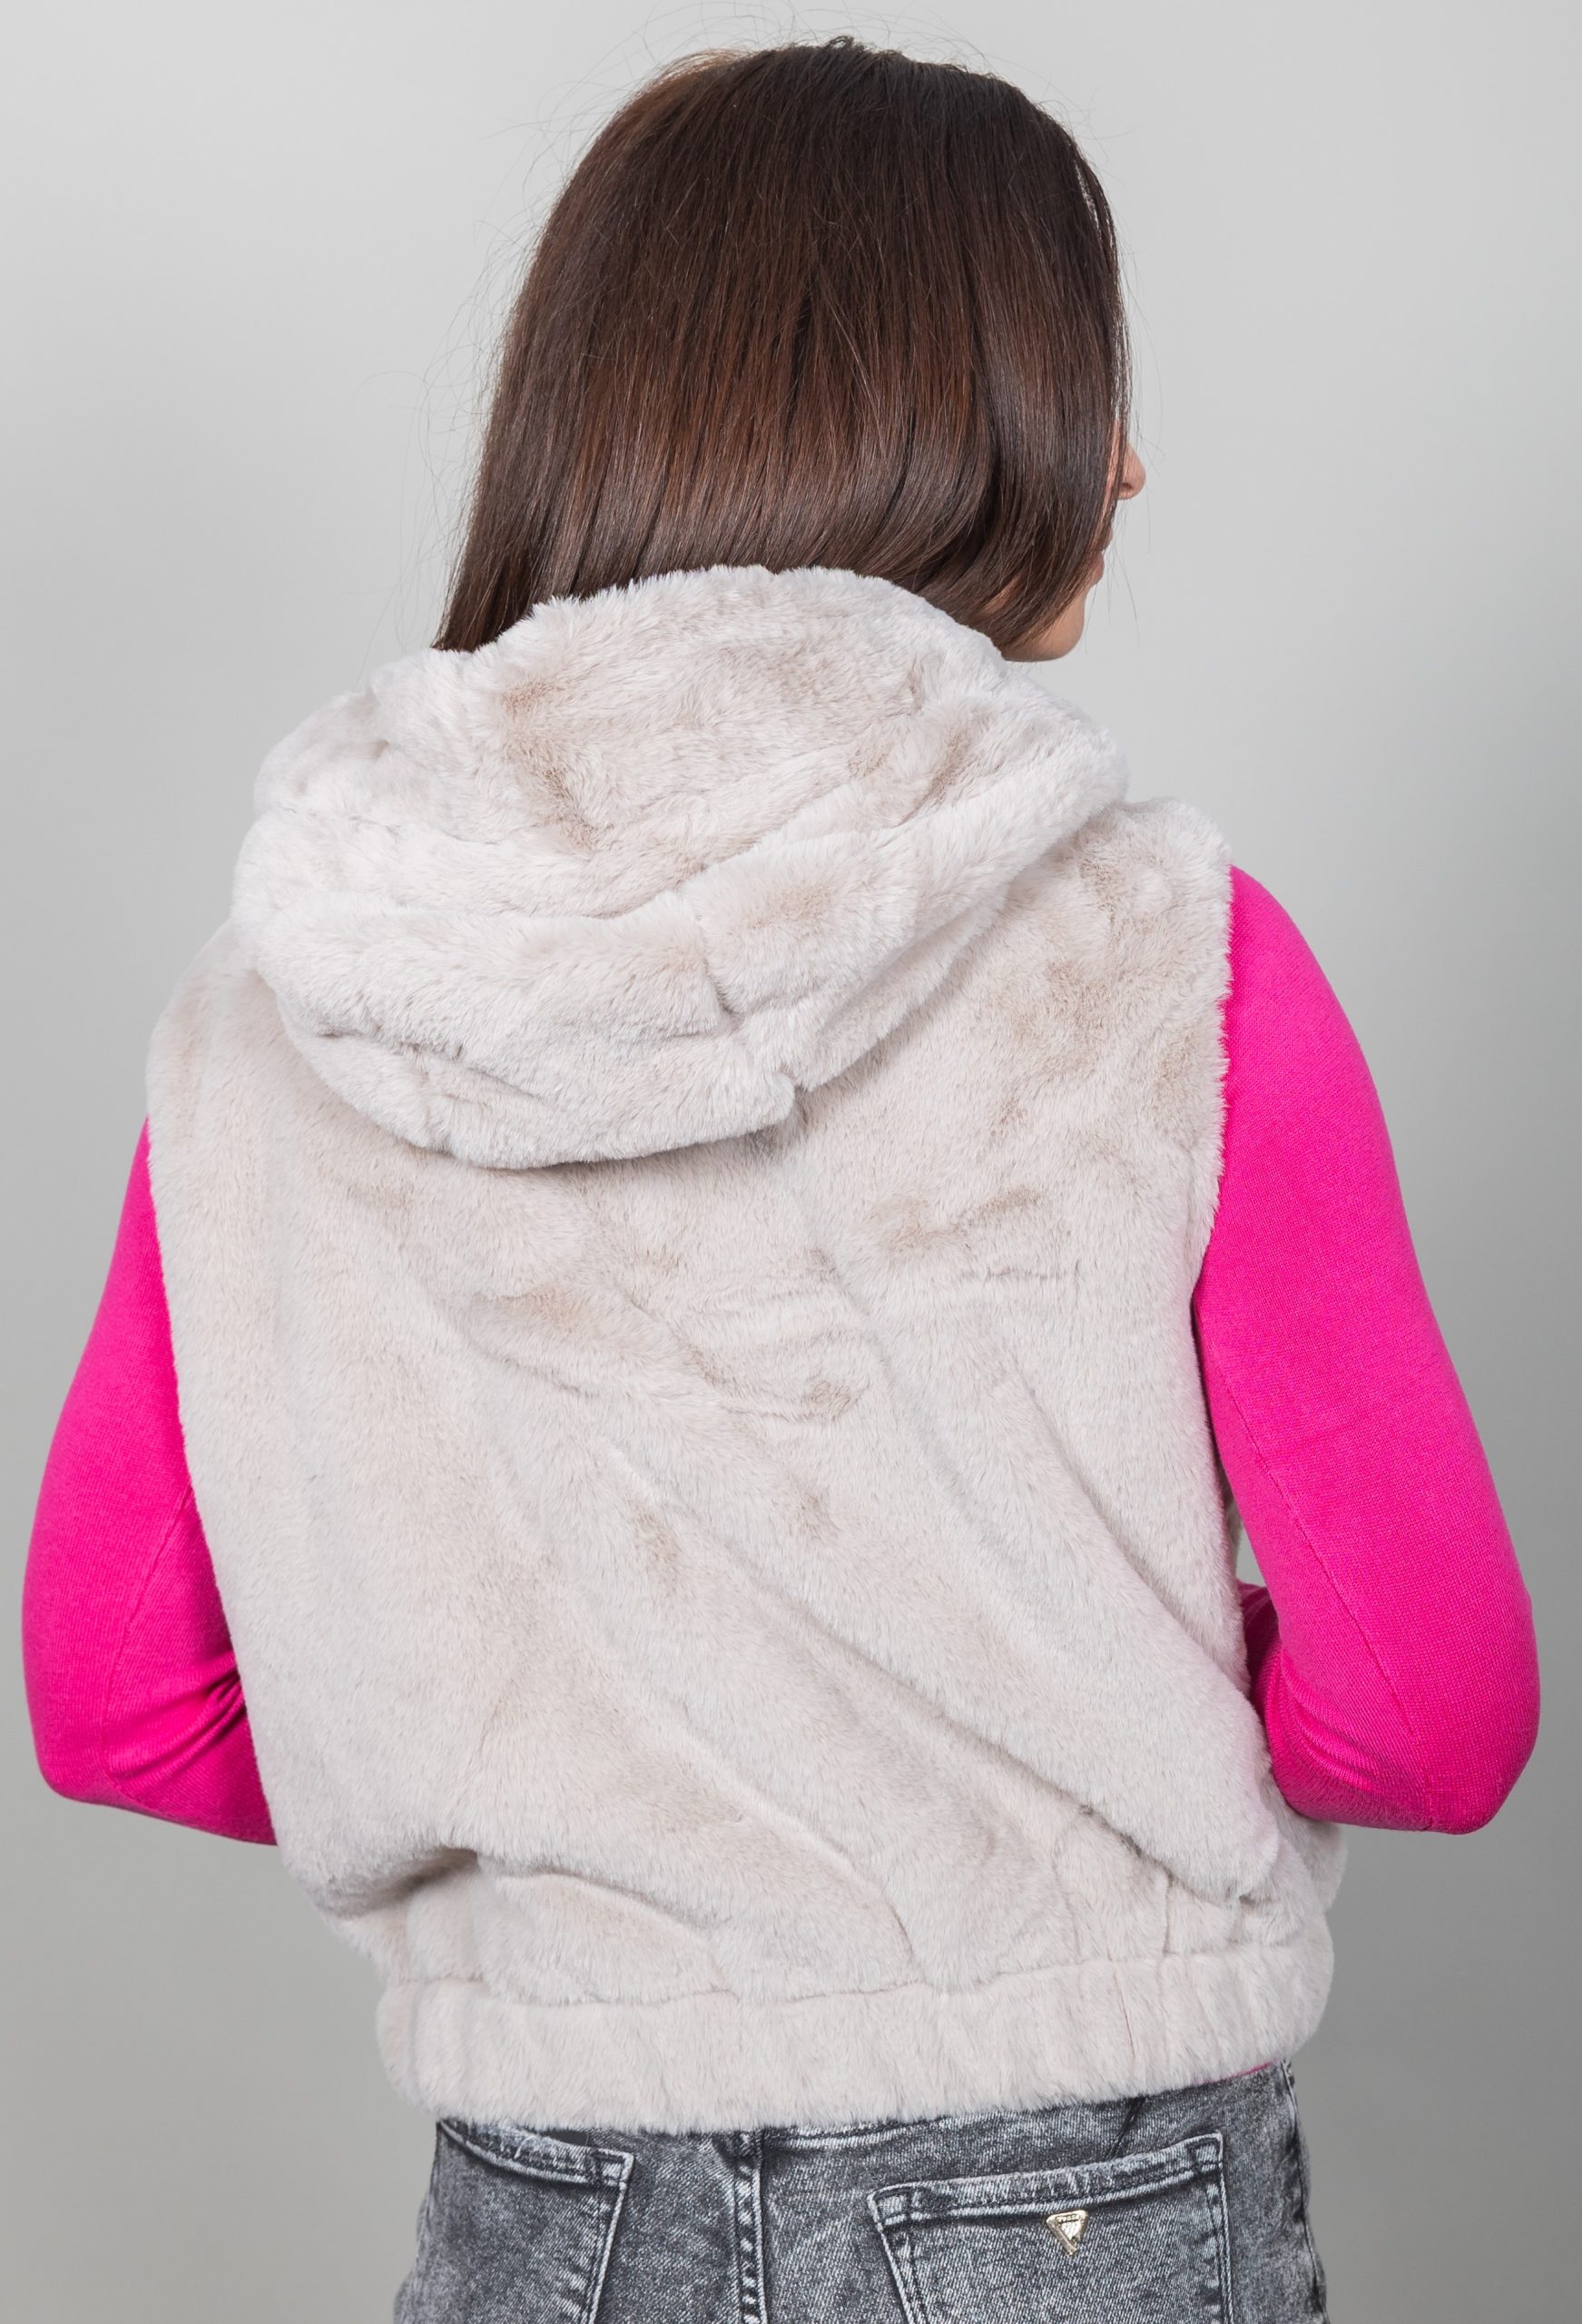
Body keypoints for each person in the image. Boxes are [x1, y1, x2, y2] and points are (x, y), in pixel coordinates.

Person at [21, 35, 1538, 2322]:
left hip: (550, 2215)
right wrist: (1095, 1704)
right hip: (1074, 2201)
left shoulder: (279, 1002)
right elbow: (1427, 1708)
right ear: (950, 414)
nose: (1127, 463)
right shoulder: (1163, 953)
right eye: (1084, 386)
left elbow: (119, 1696)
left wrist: (589, 1790)